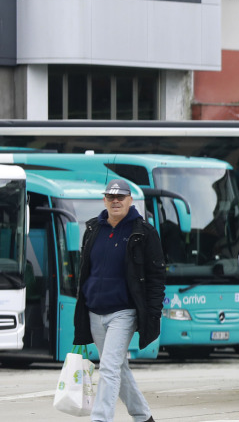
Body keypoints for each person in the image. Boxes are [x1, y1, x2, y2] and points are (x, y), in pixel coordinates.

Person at [73, 179, 165, 422]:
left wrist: (153, 313)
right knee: (117, 368)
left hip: (124, 313)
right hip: (95, 311)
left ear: (129, 200)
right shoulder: (93, 229)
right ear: (104, 200)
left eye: (121, 197)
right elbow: (85, 270)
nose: (116, 201)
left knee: (109, 369)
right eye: (111, 197)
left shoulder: (144, 232)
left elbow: (156, 276)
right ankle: (143, 416)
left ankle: (100, 419)